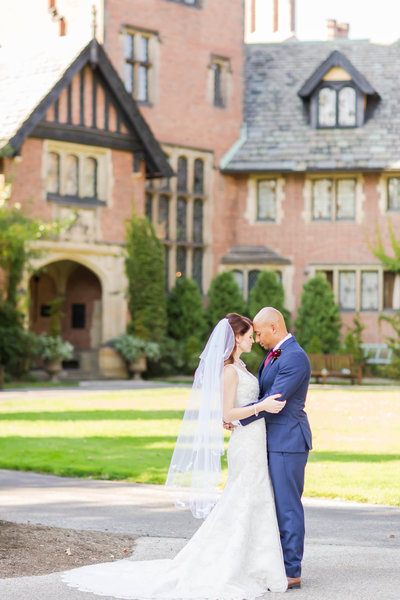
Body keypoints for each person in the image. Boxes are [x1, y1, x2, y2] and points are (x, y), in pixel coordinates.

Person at [62, 313, 288, 599]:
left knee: (253, 500)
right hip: (245, 444)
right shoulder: (229, 371)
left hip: (254, 441)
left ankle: (255, 563)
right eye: (248, 335)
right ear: (236, 338)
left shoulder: (240, 366)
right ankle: (235, 565)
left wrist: (254, 408)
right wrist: (262, 406)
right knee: (243, 500)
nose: (253, 339)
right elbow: (227, 414)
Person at [238, 307, 312, 590]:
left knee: (287, 507)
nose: (256, 339)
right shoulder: (275, 354)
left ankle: (292, 570)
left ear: (274, 326)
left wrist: (237, 417)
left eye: (258, 332)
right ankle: (275, 563)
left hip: (288, 442)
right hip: (270, 440)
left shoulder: (293, 357)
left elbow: (275, 400)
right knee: (273, 505)